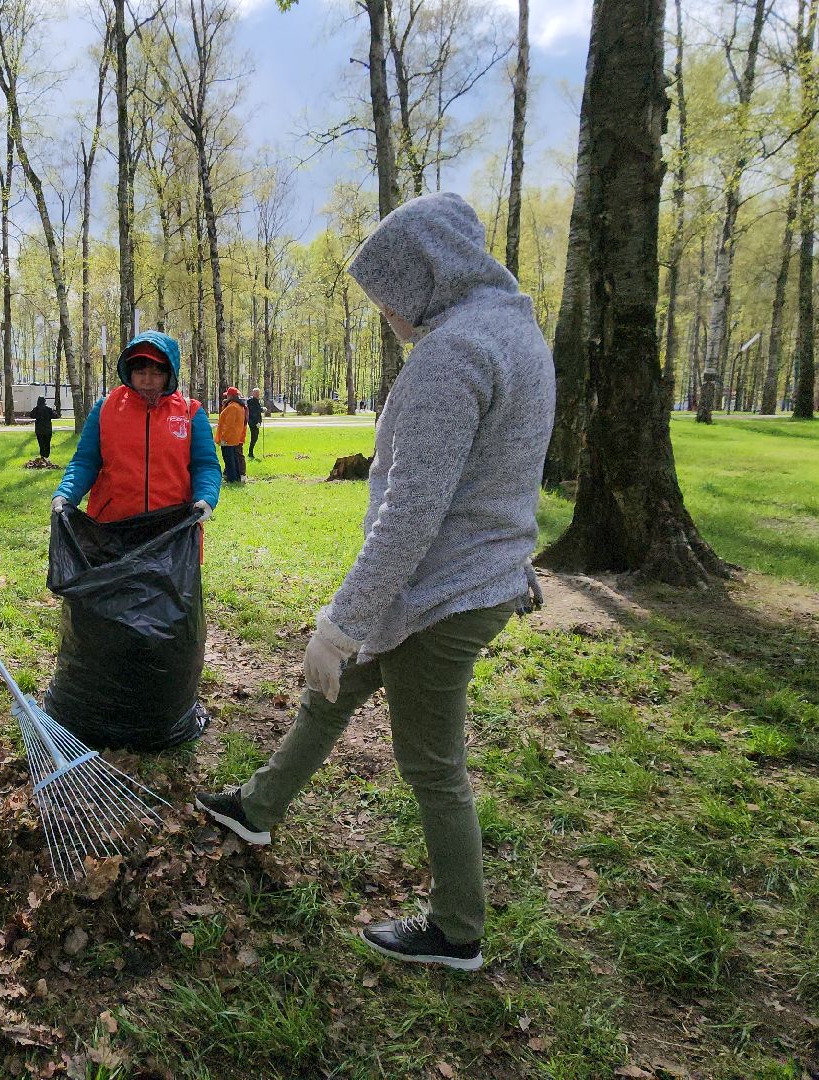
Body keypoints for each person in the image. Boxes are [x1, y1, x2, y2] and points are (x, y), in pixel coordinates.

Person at [195, 192, 553, 973]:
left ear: (426, 274)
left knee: (431, 764)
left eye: (387, 293)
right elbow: (500, 474)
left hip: (440, 595)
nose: (385, 312)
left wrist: (339, 623)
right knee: (328, 700)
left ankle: (457, 929)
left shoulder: (455, 354)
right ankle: (256, 810)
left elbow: (411, 511)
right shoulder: (518, 332)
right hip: (450, 580)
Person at [51, 330, 221, 524]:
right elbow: (85, 461)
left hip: (173, 526)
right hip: (112, 527)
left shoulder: (190, 412)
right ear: (129, 372)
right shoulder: (105, 409)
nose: (147, 380)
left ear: (169, 374)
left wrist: (206, 497)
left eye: (156, 373)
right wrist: (65, 494)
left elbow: (205, 464)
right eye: (140, 372)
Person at [216, 387, 248, 484]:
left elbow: (228, 425)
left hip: (228, 438)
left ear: (231, 396)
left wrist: (223, 438)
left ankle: (231, 478)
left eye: (228, 395)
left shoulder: (232, 407)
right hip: (235, 437)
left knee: (229, 459)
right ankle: (235, 477)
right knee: (234, 458)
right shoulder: (239, 406)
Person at [29, 395, 59, 462]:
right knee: (47, 443)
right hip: (47, 430)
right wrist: (55, 411)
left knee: (41, 444)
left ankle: (42, 456)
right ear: (44, 401)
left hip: (39, 430)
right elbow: (55, 416)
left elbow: (31, 415)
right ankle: (46, 456)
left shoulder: (36, 409)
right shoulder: (48, 409)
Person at [246, 389, 264, 459]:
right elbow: (253, 412)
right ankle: (250, 453)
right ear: (253, 393)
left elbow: (257, 409)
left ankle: (250, 452)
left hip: (256, 422)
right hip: (253, 422)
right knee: (254, 437)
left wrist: (262, 409)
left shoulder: (256, 400)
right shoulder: (251, 401)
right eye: (256, 393)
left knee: (255, 437)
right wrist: (257, 422)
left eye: (258, 393)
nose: (257, 394)